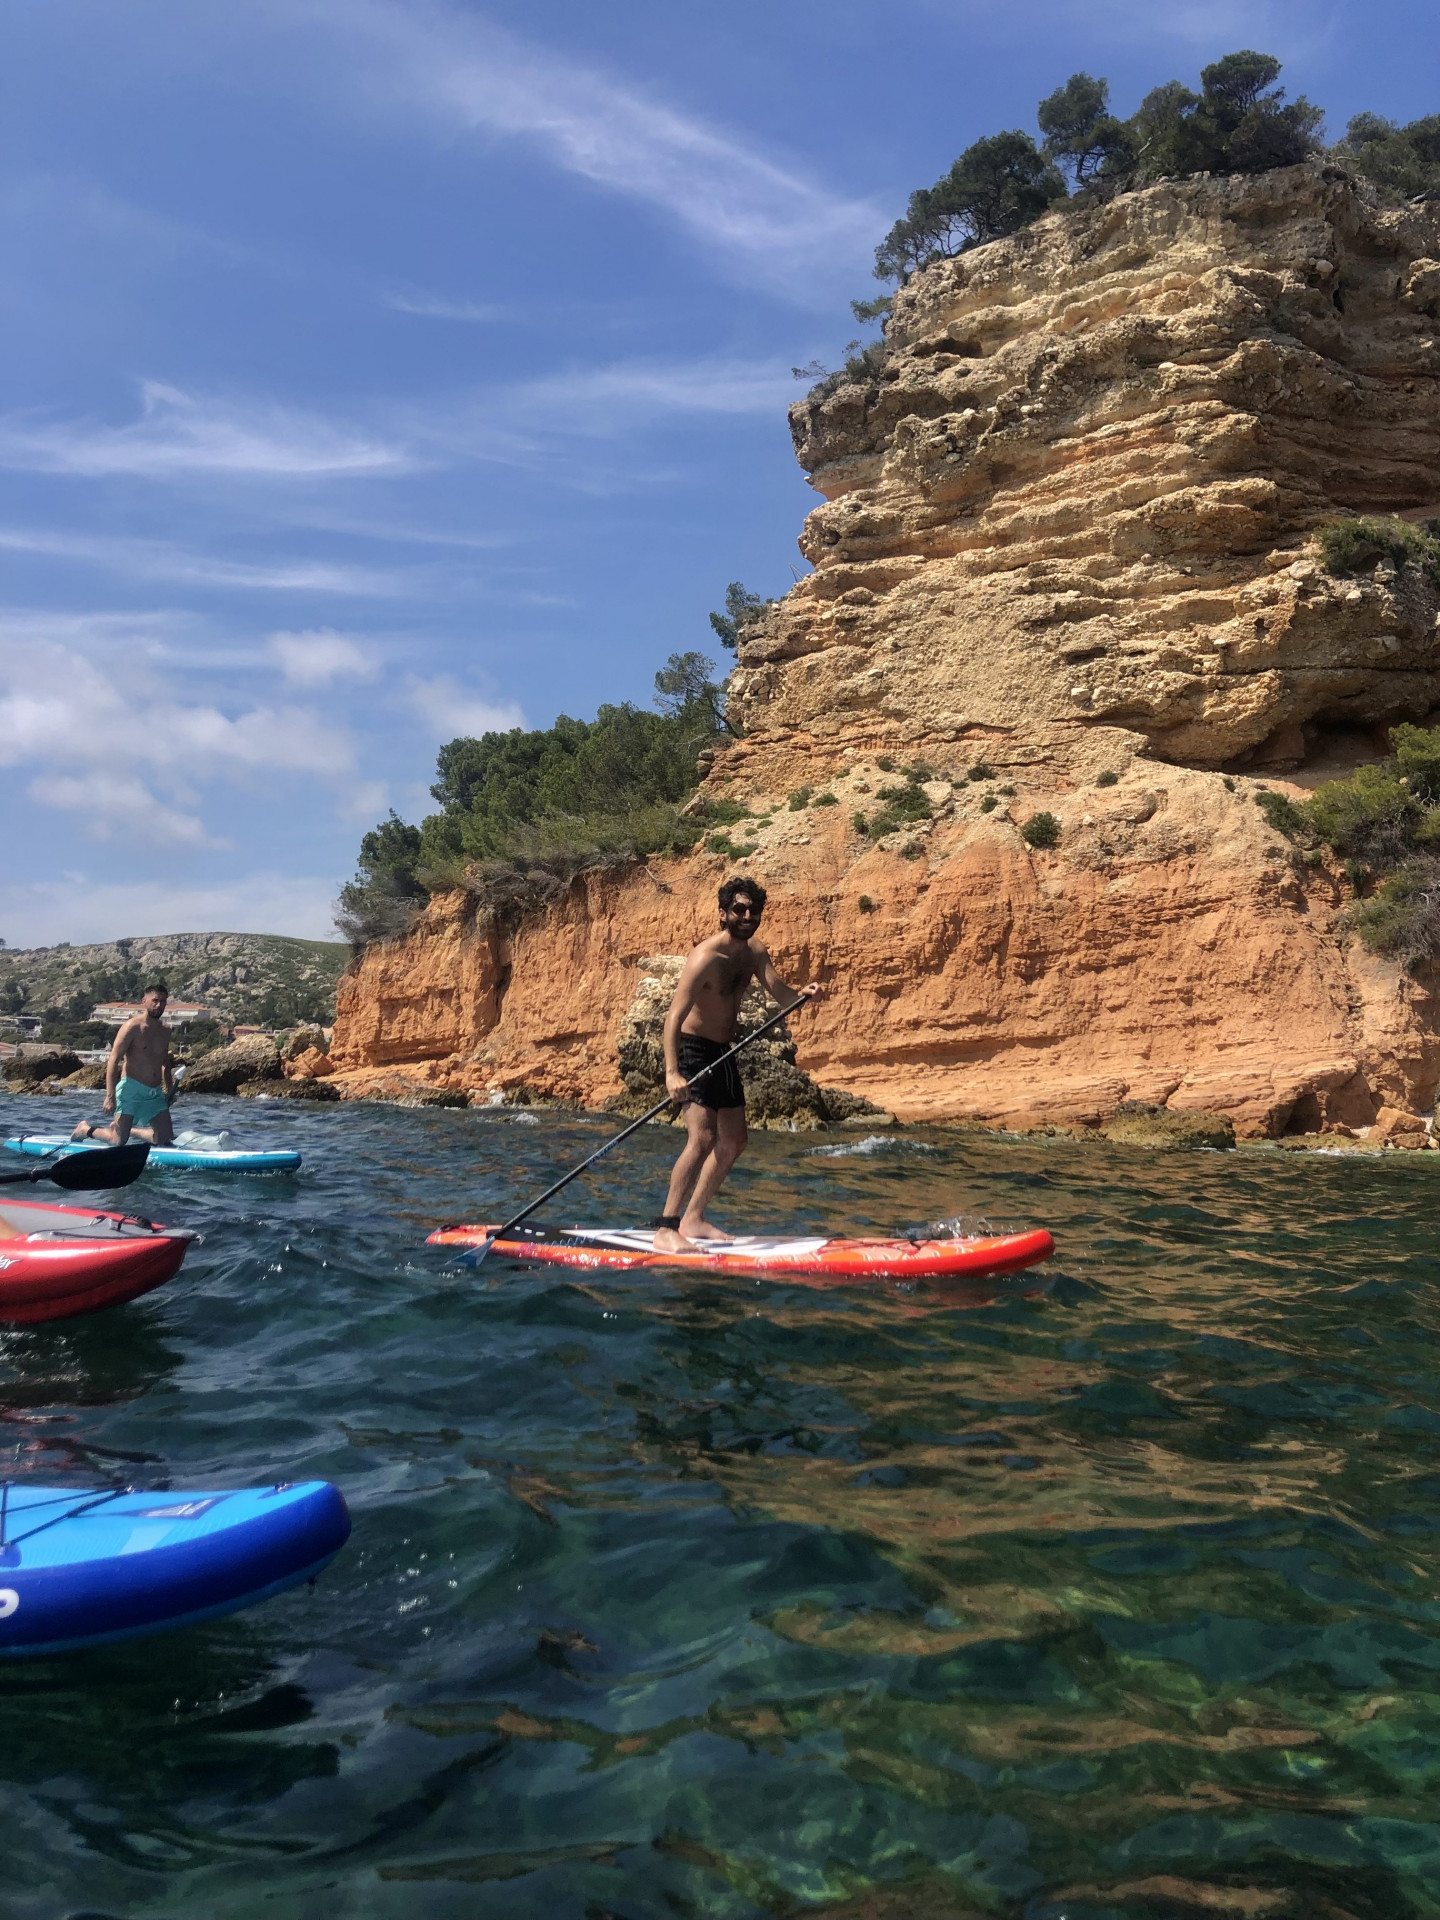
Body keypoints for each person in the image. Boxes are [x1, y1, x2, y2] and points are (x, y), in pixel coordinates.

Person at [652, 877, 820, 1254]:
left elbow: (780, 992)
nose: (747, 916)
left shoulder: (754, 952)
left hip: (723, 1052)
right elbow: (673, 1017)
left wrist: (804, 996)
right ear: (723, 913)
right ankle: (666, 1227)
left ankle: (693, 1218)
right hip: (694, 1050)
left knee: (735, 1140)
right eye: (739, 910)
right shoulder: (705, 956)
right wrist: (672, 1072)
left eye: (753, 910)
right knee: (702, 1138)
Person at [72, 980, 176, 1147]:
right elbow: (113, 1060)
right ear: (144, 1001)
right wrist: (110, 1096)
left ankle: (132, 1130)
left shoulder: (165, 1030)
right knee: (118, 1141)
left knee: (165, 1140)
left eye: (162, 1001)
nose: (159, 1005)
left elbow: (165, 1061)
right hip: (131, 1090)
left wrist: (169, 1089)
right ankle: (86, 1129)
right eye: (155, 1001)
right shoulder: (132, 1027)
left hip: (154, 1093)